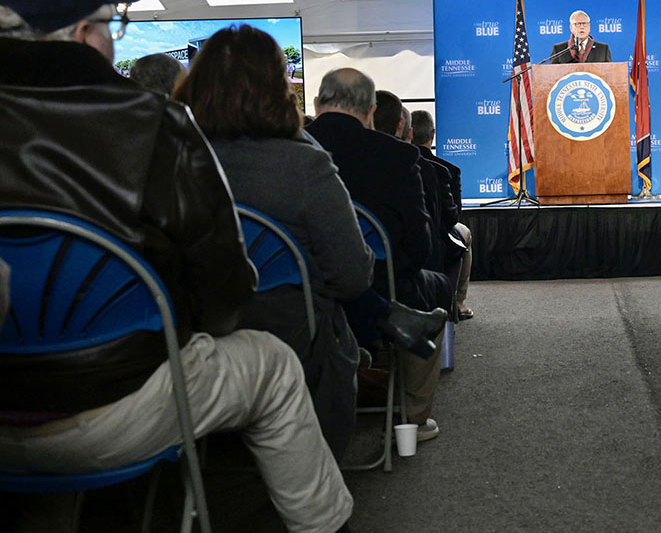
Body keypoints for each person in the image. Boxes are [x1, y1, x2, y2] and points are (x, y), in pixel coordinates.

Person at [0, 0, 353, 532]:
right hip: (120, 406)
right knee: (274, 365)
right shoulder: (154, 126)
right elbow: (223, 297)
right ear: (85, 34)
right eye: (111, 28)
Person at [173, 24, 375, 459]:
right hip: (296, 342)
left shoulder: (166, 161)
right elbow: (353, 276)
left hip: (186, 342)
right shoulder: (303, 165)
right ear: (277, 88)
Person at [307, 69, 453, 443]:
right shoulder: (398, 156)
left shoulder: (289, 152)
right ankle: (412, 418)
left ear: (317, 105)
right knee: (434, 287)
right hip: (383, 287)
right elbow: (421, 249)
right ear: (371, 111)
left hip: (302, 293)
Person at [412, 109, 475, 320]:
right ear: (433, 134)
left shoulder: (387, 166)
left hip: (403, 239)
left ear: (407, 132)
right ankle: (458, 302)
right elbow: (453, 219)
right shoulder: (447, 170)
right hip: (438, 240)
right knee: (464, 233)